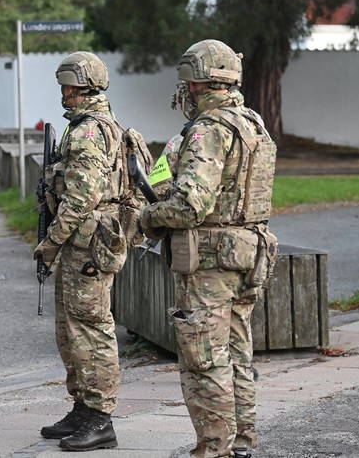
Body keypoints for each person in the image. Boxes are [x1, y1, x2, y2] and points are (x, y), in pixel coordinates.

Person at [139, 39, 278, 458]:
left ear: (198, 83)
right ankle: (241, 445)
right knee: (236, 353)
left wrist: (147, 218)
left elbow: (189, 205)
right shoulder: (253, 123)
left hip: (211, 262)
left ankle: (213, 449)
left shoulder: (208, 129)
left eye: (186, 83)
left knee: (204, 361)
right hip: (248, 254)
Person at [32, 52, 134, 452]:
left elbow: (81, 197)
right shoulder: (83, 127)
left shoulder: (90, 131)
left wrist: (51, 241)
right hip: (81, 244)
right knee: (71, 329)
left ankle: (100, 417)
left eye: (66, 84)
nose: (62, 91)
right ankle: (82, 407)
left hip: (87, 245)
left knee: (91, 328)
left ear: (81, 85)